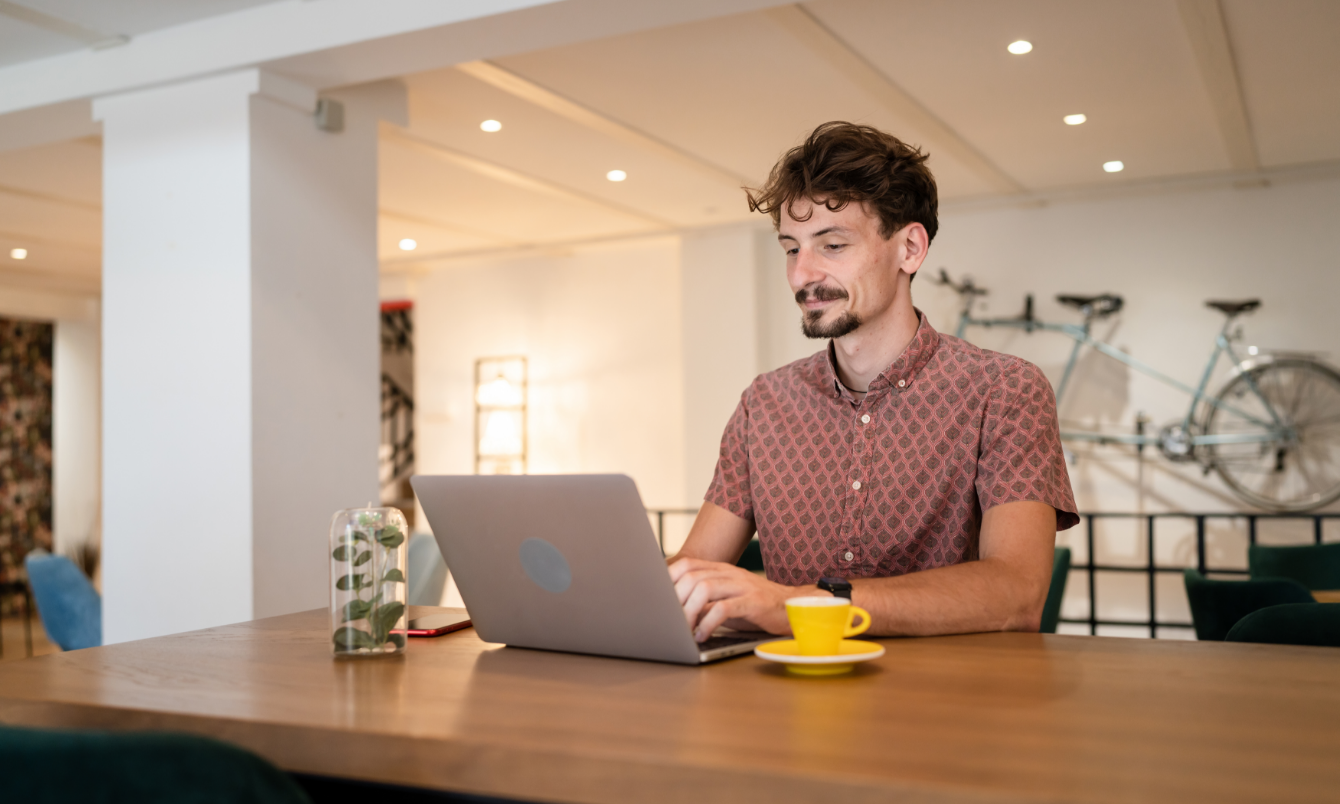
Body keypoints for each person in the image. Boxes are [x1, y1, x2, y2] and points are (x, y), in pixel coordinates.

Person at [668, 122, 1078, 641]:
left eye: (832, 245)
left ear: (909, 248)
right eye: (792, 249)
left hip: (956, 709)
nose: (802, 275)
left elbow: (1016, 593)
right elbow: (692, 570)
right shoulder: (764, 404)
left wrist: (804, 605)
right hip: (788, 704)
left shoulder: (1004, 390)